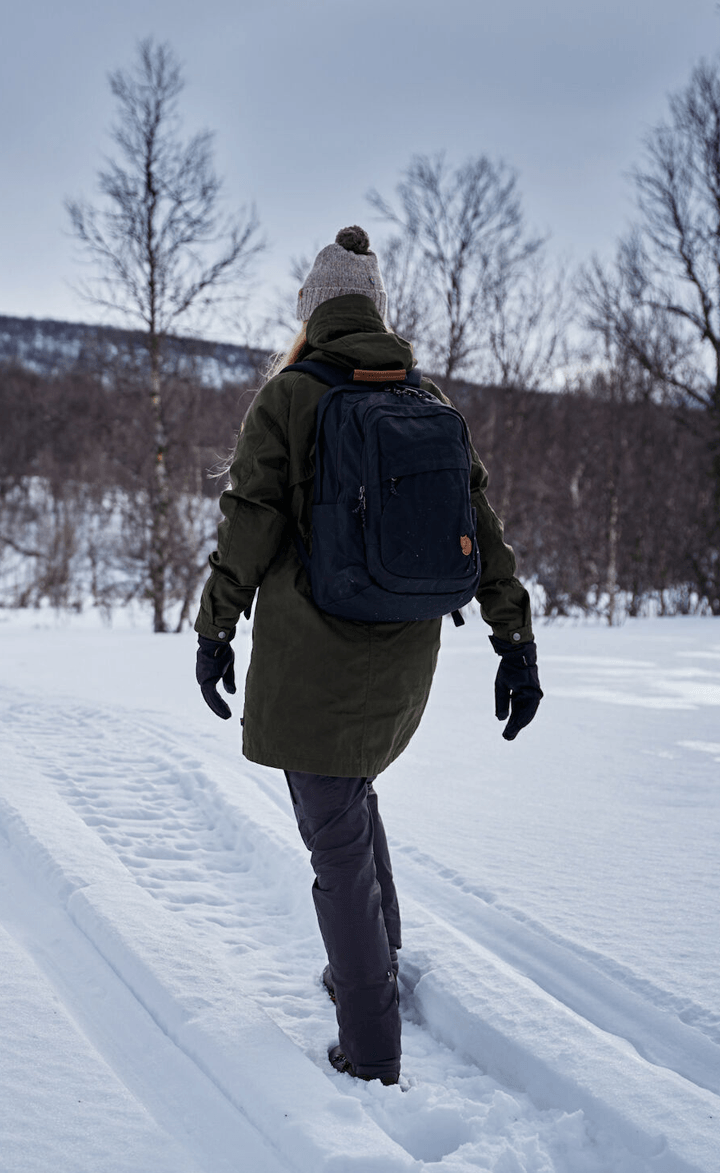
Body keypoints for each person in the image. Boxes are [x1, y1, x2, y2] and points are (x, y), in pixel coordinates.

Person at [194, 226, 542, 1087]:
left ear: (311, 314)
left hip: (314, 659)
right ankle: (372, 962)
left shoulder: (291, 396)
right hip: (402, 661)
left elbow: (250, 520)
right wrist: (515, 640)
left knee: (335, 845)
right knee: (352, 799)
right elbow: (485, 534)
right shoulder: (426, 398)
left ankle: (372, 1045)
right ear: (374, 313)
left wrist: (214, 628)